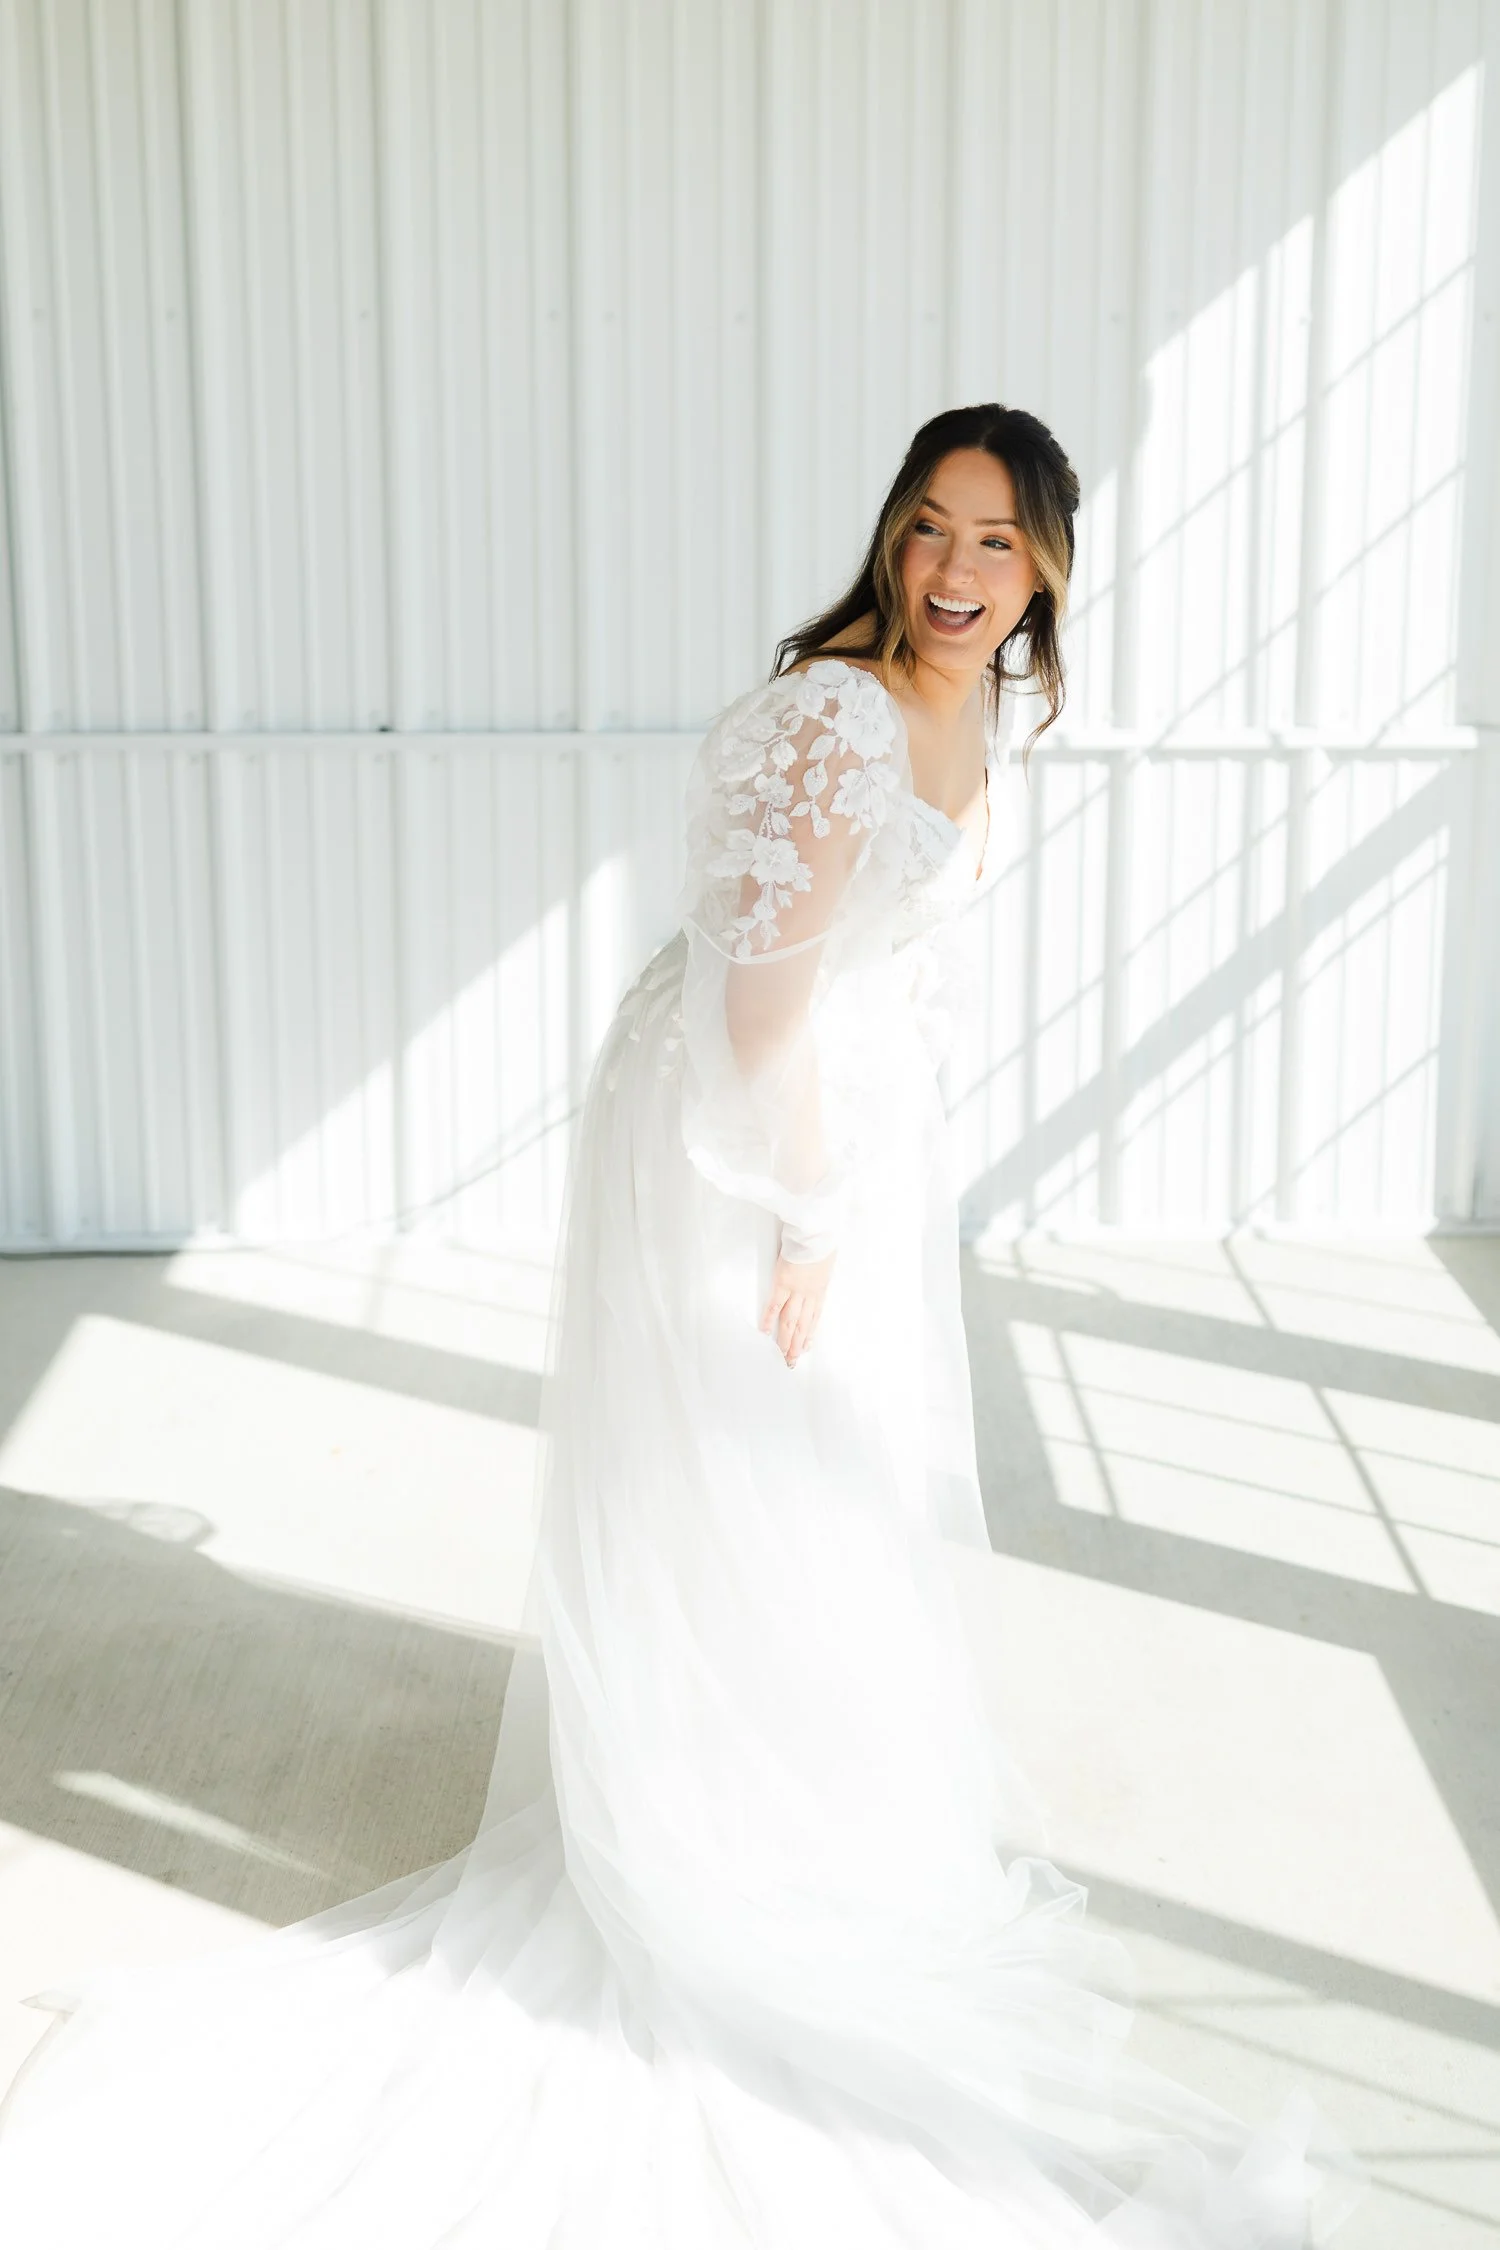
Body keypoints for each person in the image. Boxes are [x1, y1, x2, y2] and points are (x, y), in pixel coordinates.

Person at [0, 404, 1362, 2246]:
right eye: (931, 531)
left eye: (998, 541)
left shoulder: (984, 707)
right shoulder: (834, 716)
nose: (958, 575)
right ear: (891, 537)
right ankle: (711, 1827)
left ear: (1048, 562)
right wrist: (808, 1204)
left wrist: (871, 1160)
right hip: (738, 1120)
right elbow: (754, 1007)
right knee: (749, 1443)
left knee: (827, 1468)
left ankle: (807, 1803)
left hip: (836, 1105)